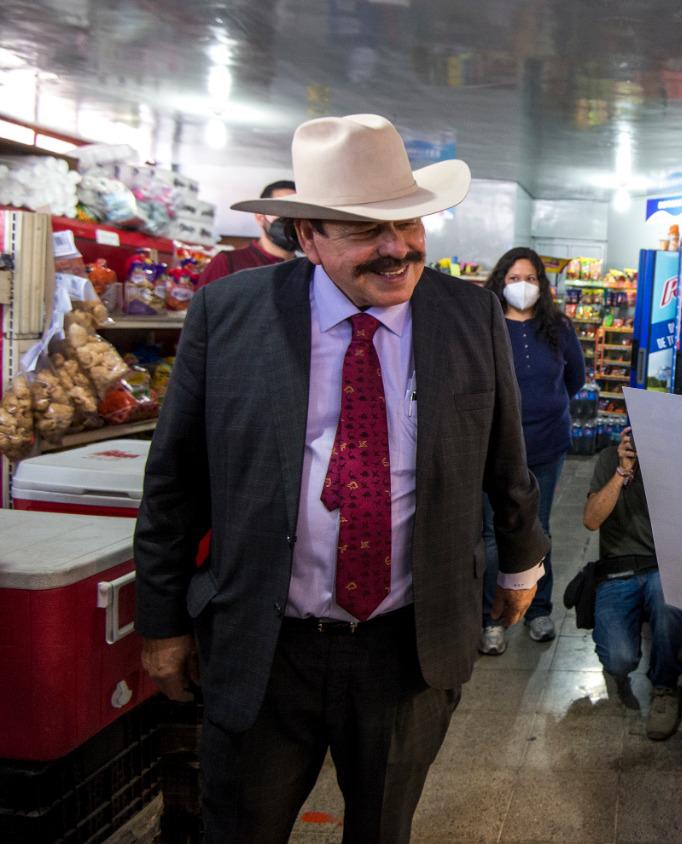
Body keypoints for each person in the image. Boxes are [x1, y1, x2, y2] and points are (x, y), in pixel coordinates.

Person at [134, 114, 549, 844]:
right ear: (309, 239)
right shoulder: (230, 315)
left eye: (409, 221)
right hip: (267, 646)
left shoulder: (466, 315)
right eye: (364, 230)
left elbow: (503, 455)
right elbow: (176, 478)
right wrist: (162, 619)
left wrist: (522, 560)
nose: (397, 248)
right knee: (241, 827)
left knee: (384, 826)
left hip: (404, 648)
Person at [477, 248, 585, 652]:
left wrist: (546, 407)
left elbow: (574, 378)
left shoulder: (558, 327)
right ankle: (493, 617)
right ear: (500, 283)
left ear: (543, 285)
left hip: (547, 446)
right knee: (492, 533)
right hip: (495, 449)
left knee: (538, 529)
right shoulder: (486, 325)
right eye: (514, 278)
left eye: (531, 278)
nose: (522, 286)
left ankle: (538, 609)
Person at [582, 426, 682, 741]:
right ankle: (621, 660)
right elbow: (591, 520)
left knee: (668, 599)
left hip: (661, 566)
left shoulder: (673, 463)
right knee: (619, 659)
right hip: (617, 569)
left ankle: (665, 687)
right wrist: (621, 472)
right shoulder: (607, 459)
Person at [196, 179, 298, 288]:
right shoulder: (229, 262)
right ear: (260, 217)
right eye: (281, 211)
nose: (290, 221)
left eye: (297, 212)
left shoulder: (308, 267)